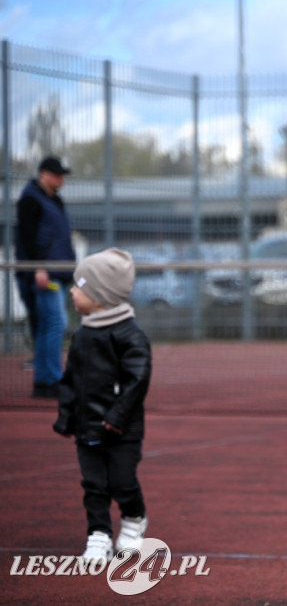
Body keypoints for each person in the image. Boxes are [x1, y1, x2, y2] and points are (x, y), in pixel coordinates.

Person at [52, 248, 151, 564]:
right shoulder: (82, 335)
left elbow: (138, 381)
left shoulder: (130, 335)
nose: (72, 291)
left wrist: (117, 416)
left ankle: (134, 519)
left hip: (122, 431)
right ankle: (98, 534)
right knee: (94, 485)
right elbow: (71, 380)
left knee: (122, 483)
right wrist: (67, 418)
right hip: (87, 428)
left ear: (101, 295)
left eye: (79, 286)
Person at [16, 156, 75, 399]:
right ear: (43, 174)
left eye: (63, 175)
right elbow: (29, 239)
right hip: (43, 275)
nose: (61, 179)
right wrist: (38, 268)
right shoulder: (30, 200)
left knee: (46, 326)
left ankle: (44, 381)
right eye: (57, 174)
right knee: (55, 323)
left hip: (57, 273)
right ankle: (50, 379)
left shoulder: (55, 201)